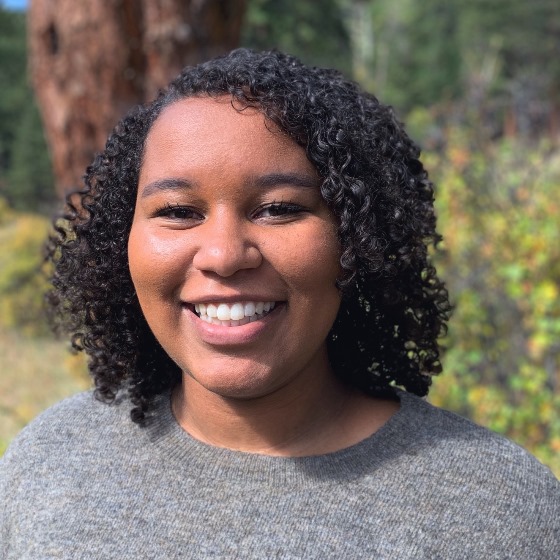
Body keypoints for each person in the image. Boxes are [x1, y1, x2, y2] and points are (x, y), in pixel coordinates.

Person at [1, 48, 558, 559]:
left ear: (358, 239)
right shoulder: (51, 461)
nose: (222, 255)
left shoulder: (500, 511)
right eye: (176, 211)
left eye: (278, 209)